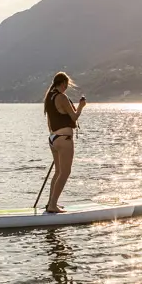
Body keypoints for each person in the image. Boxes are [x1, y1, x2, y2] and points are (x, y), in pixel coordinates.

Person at [43, 72, 86, 213]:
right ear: (61, 84)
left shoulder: (49, 97)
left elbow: (51, 121)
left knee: (58, 172)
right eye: (66, 86)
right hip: (64, 139)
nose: (66, 89)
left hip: (53, 139)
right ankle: (52, 205)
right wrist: (81, 106)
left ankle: (51, 203)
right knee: (65, 172)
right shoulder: (61, 97)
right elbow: (74, 117)